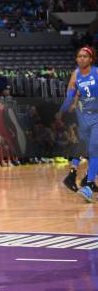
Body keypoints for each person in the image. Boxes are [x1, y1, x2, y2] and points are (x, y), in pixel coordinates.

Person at [59, 46, 98, 202]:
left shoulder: (96, 72)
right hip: (84, 116)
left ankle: (86, 182)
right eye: (79, 56)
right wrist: (60, 112)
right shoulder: (75, 75)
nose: (81, 58)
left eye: (85, 56)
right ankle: (87, 183)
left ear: (91, 59)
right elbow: (70, 96)